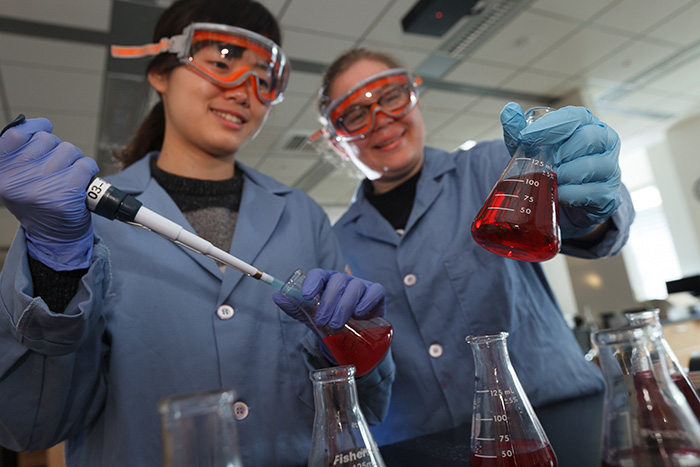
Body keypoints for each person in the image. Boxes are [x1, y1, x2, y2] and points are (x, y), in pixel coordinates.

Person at [0, 4, 395, 466]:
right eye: (222, 62)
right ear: (160, 72)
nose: (244, 92)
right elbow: (26, 426)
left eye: (262, 79)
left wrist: (361, 353)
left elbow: (361, 411)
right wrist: (56, 270)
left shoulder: (303, 215)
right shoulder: (74, 216)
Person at [314, 48, 635, 445]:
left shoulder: (489, 166)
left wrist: (591, 209)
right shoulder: (334, 242)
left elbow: (584, 224)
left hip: (560, 421)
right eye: (355, 114)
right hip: (422, 447)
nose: (380, 119)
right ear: (335, 140)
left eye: (390, 95)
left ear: (414, 95)